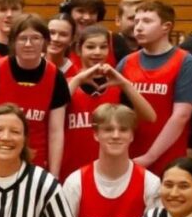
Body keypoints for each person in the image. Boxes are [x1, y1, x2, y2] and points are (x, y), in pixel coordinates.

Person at [61, 24, 157, 178]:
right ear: (79, 50)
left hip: (111, 173)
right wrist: (78, 79)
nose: (97, 52)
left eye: (103, 47)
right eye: (91, 47)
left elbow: (150, 117)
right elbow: (52, 112)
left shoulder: (118, 87)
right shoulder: (67, 84)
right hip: (71, 172)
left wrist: (125, 84)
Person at [117, 0, 192, 175]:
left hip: (169, 159)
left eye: (147, 21)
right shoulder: (127, 62)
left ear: (166, 27)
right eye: (136, 21)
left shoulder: (185, 61)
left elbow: (181, 116)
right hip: (130, 155)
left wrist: (150, 156)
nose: (138, 27)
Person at [0, 14, 69, 176]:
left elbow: (56, 132)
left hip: (36, 166)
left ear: (45, 42)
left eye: (35, 38)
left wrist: (54, 174)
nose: (28, 44)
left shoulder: (56, 77)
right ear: (13, 42)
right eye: (22, 38)